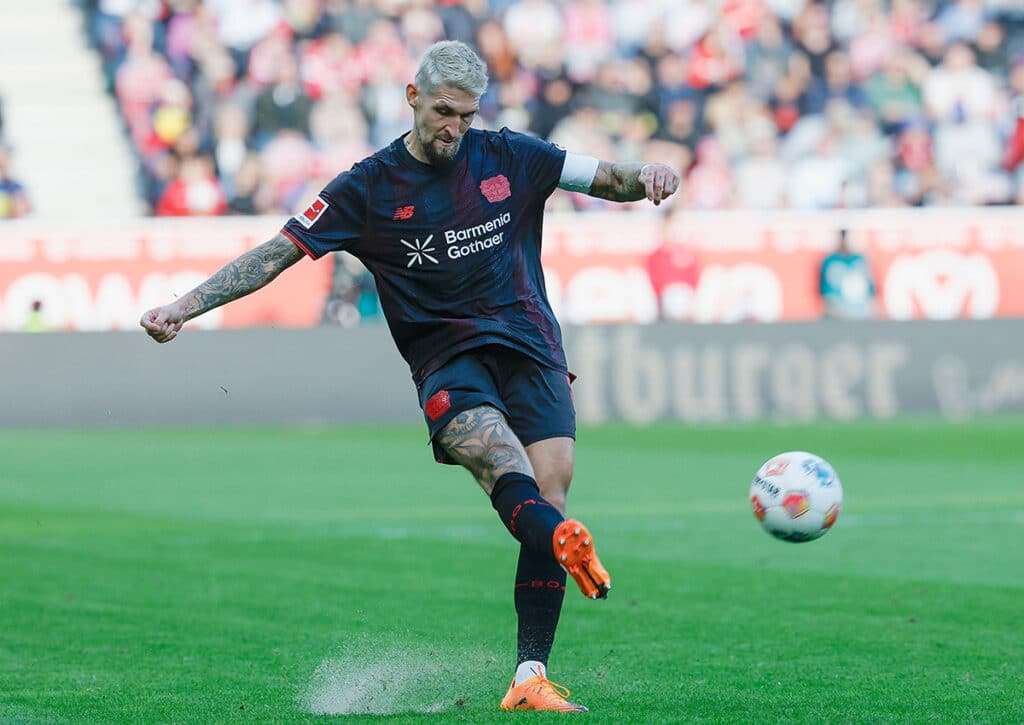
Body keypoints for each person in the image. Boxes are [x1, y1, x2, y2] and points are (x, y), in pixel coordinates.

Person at [140, 40, 680, 713]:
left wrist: (649, 173)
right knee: (500, 461)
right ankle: (560, 545)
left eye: (467, 115)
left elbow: (605, 178)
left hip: (530, 345)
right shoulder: (368, 187)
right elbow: (277, 254)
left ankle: (529, 675)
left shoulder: (511, 154)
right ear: (413, 97)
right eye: (444, 112)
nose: (455, 127)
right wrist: (184, 307)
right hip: (449, 361)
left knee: (553, 487)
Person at [819, 228, 876, 319]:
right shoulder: (830, 261)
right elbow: (825, 294)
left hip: (860, 313)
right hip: (837, 314)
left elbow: (871, 292)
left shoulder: (860, 260)